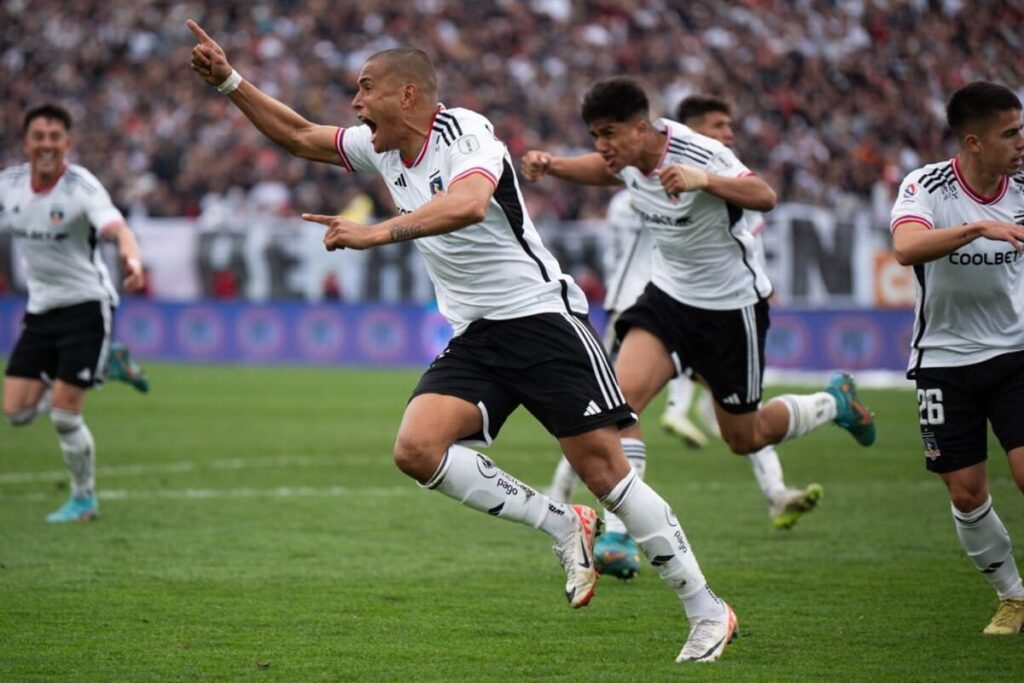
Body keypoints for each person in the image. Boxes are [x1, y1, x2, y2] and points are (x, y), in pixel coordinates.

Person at [187, 20, 739, 663]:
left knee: (606, 472)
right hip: (477, 333)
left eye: (366, 89)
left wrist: (377, 233)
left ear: (410, 96)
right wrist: (230, 81)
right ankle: (563, 524)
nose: (355, 103)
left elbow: (470, 203)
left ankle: (706, 611)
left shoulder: (465, 132)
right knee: (417, 449)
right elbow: (300, 135)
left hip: (541, 321)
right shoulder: (380, 148)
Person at [522, 77, 876, 579]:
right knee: (616, 407)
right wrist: (553, 165)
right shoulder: (626, 160)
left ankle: (834, 403)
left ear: (641, 128)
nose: (601, 146)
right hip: (666, 301)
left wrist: (703, 181)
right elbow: (606, 172)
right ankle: (622, 535)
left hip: (730, 311)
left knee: (744, 436)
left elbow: (764, 194)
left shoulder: (698, 152)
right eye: (594, 135)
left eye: (608, 134)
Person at [890, 80, 1024, 636]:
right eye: (1009, 134)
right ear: (973, 142)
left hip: (1017, 353)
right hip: (943, 361)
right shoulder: (926, 185)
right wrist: (976, 227)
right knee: (967, 494)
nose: (1021, 143)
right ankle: (1014, 597)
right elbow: (905, 248)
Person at [1, 103, 148, 523]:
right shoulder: (9, 186)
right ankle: (108, 365)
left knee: (66, 415)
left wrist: (132, 261)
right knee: (17, 413)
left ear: (67, 143)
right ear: (26, 143)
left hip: (87, 304)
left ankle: (84, 499)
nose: (46, 144)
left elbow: (118, 230)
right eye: (38, 137)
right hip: (41, 307)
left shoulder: (81, 187)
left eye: (54, 137)